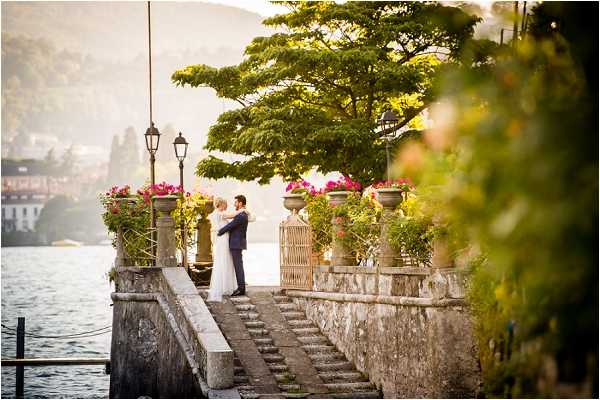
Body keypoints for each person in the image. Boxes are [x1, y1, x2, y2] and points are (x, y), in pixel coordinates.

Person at [206, 197, 242, 302]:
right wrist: (242, 210)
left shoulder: (216, 214)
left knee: (224, 260)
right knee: (225, 260)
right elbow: (232, 215)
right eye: (225, 204)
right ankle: (225, 286)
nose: (227, 206)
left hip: (223, 239)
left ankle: (225, 285)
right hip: (223, 240)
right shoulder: (220, 213)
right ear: (221, 204)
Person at [217, 194, 250, 297]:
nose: (234, 204)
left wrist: (219, 232)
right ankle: (240, 286)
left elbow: (230, 226)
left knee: (238, 265)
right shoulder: (242, 214)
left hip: (236, 243)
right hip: (237, 243)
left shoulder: (241, 215)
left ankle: (241, 288)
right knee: (238, 265)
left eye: (236, 202)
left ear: (240, 203)